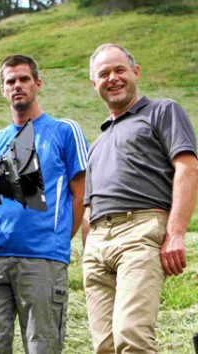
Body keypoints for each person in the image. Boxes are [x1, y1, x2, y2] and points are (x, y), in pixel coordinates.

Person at [83, 43, 198, 353]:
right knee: (104, 346)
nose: (113, 78)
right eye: (103, 73)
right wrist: (87, 251)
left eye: (120, 70)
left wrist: (175, 233)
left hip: (141, 230)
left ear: (135, 72)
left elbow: (187, 168)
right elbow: (88, 207)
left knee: (131, 335)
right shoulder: (97, 143)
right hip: (97, 243)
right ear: (95, 84)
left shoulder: (162, 111)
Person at [0, 54, 88, 354]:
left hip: (42, 258)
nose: (17, 86)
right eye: (10, 81)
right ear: (2, 89)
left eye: (23, 79)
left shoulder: (65, 131)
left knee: (42, 348)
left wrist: (58, 238)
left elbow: (82, 196)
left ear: (37, 83)